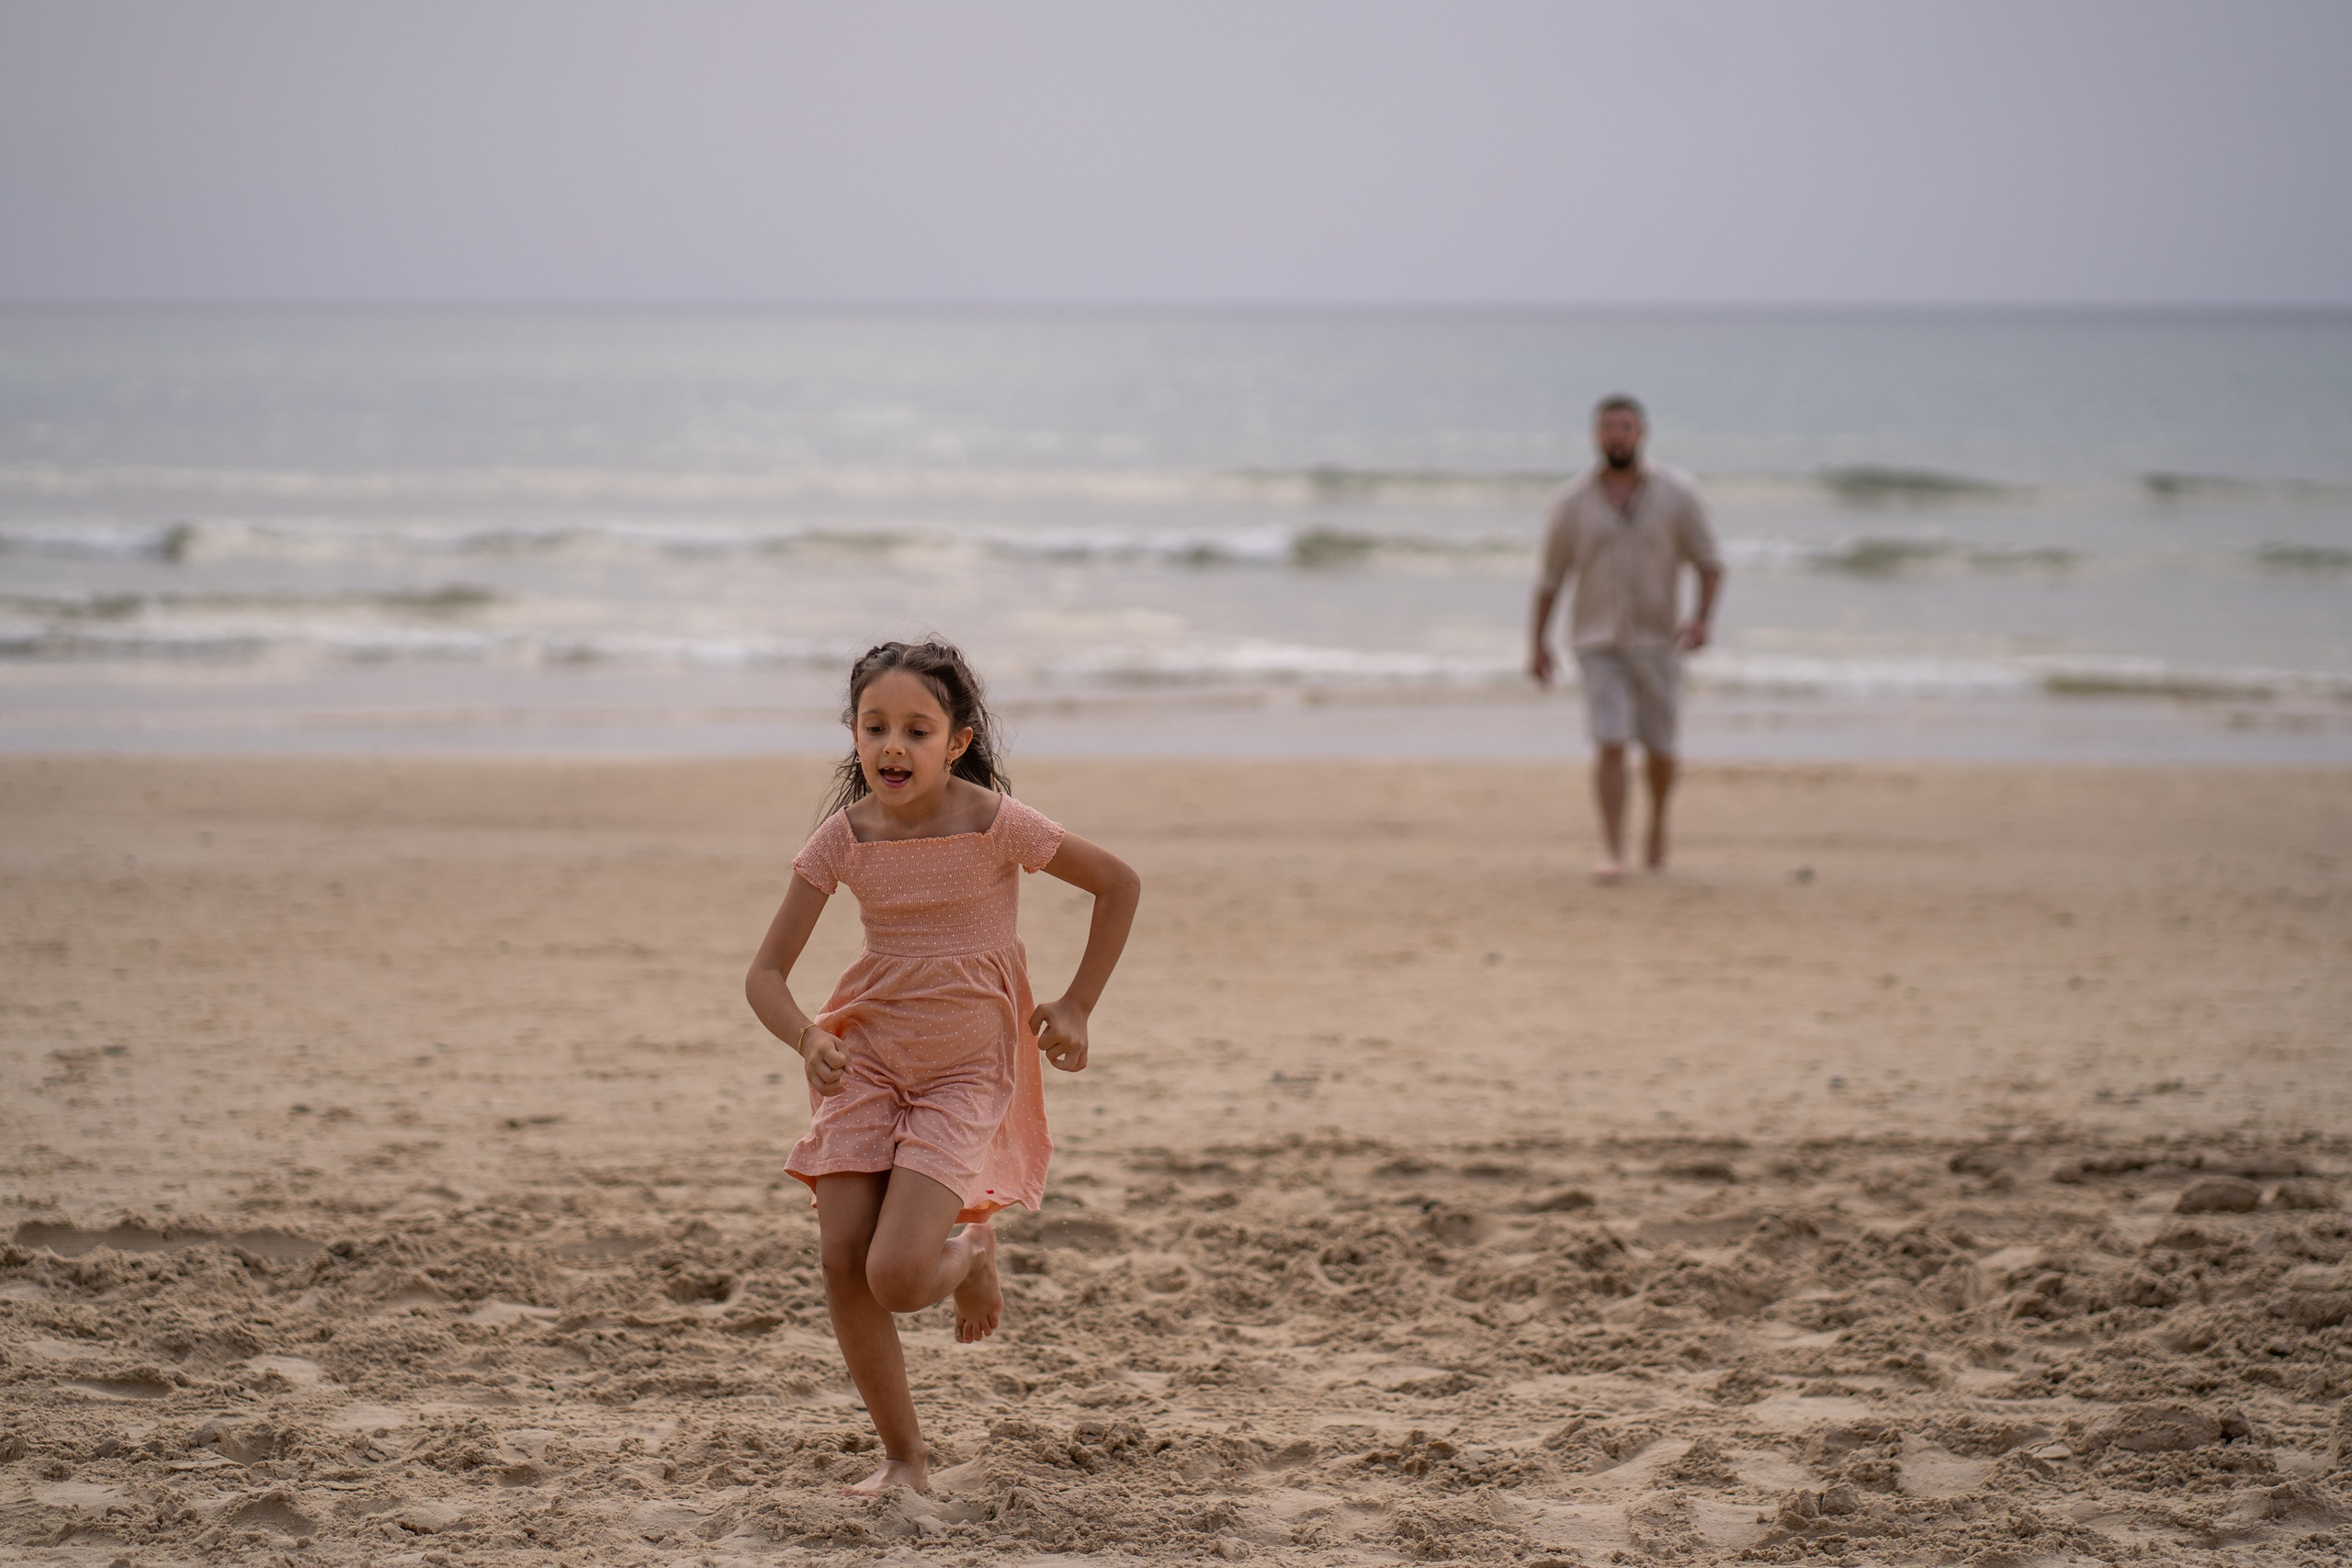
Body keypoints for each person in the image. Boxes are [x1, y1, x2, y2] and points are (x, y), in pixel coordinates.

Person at [744, 639, 1142, 1495]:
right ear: (852, 732)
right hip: (866, 1058)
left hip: (966, 1067)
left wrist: (1075, 1004)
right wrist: (806, 1036)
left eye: (916, 729)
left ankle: (969, 1255)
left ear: (956, 740)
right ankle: (904, 1457)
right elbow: (765, 974)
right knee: (843, 1257)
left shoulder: (994, 821)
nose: (893, 746)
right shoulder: (842, 838)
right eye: (874, 725)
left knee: (897, 1276)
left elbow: (1118, 883)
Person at [1528, 395, 1724, 882]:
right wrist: (1537, 643)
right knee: (1610, 741)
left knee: (1660, 747)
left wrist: (1701, 618)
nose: (1616, 435)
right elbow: (1550, 578)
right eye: (1608, 428)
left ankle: (1657, 825)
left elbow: (1709, 561)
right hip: (1597, 641)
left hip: (1659, 641)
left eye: (1625, 427)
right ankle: (1612, 848)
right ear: (1596, 436)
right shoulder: (1571, 502)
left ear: (1642, 433)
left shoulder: (1679, 494)